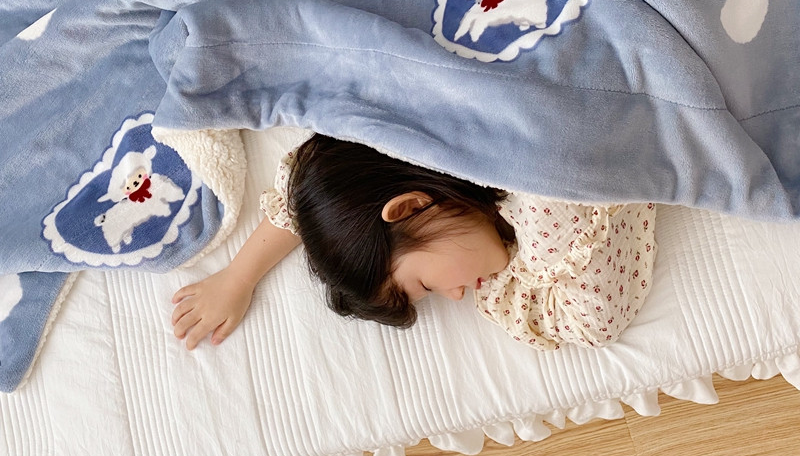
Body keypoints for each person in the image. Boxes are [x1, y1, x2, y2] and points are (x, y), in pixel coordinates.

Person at [172, 133, 656, 351]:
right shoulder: (396, 142)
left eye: (426, 284)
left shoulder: (544, 195)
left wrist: (239, 277)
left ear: (408, 208)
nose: (459, 295)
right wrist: (238, 278)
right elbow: (309, 190)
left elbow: (592, 321)